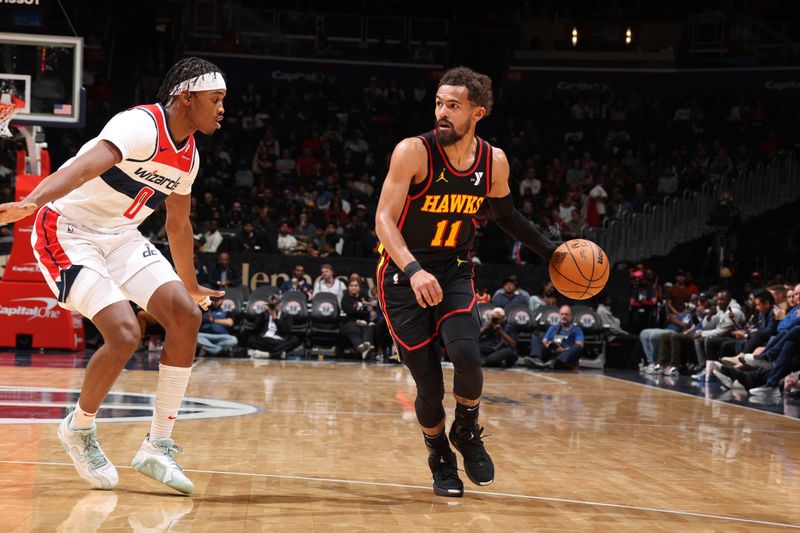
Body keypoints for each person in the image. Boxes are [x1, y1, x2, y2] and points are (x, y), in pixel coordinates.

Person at [0, 57, 227, 494]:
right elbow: (81, 169)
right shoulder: (140, 124)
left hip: (121, 236)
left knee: (186, 316)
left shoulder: (189, 157)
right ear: (187, 97)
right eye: (215, 99)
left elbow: (178, 225)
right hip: (67, 231)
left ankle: (157, 445)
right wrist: (33, 202)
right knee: (124, 333)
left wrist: (191, 284)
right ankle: (79, 428)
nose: (221, 109)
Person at [374, 66, 558, 497]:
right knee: (429, 387)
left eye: (453, 106)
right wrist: (413, 269)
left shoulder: (492, 161)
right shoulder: (412, 152)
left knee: (468, 356)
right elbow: (383, 219)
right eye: (439, 103)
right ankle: (439, 454)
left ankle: (468, 430)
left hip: (455, 268)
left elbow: (506, 216)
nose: (442, 112)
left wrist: (551, 252)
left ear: (478, 112)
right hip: (403, 276)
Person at [528, 305, 584, 370]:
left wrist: (563, 350)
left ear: (570, 316)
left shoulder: (576, 329)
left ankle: (554, 362)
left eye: (566, 314)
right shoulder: (553, 327)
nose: (564, 316)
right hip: (552, 353)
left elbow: (580, 345)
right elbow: (544, 341)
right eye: (562, 314)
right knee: (536, 337)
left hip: (565, 356)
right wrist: (549, 345)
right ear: (559, 316)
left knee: (578, 348)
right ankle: (536, 359)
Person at [340, 278, 377, 359]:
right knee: (352, 326)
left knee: (369, 326)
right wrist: (359, 319)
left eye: (356, 285)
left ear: (359, 287)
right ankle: (361, 346)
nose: (354, 287)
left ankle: (365, 347)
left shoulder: (364, 298)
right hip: (350, 321)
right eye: (351, 285)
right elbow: (350, 312)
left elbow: (369, 310)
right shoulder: (345, 299)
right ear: (348, 287)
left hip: (364, 321)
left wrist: (367, 320)